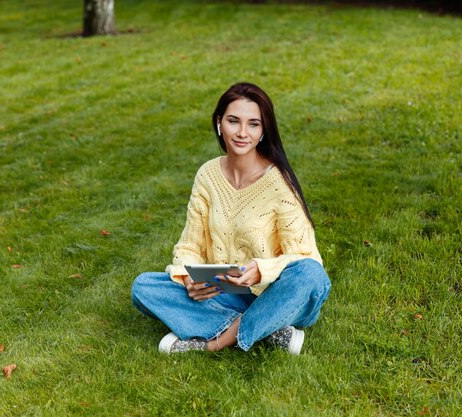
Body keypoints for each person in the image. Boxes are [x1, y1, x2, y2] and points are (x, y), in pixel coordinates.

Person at [131, 82, 331, 354]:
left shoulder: (279, 184)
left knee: (310, 274)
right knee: (144, 287)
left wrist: (262, 271)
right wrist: (188, 278)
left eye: (253, 124)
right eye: (233, 121)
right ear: (219, 123)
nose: (242, 133)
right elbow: (191, 245)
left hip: (276, 293)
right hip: (226, 293)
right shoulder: (208, 175)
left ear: (263, 131)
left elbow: (307, 258)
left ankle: (216, 342)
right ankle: (269, 330)